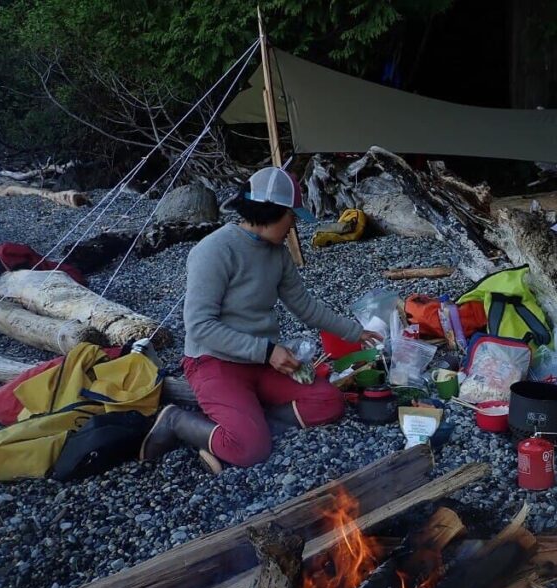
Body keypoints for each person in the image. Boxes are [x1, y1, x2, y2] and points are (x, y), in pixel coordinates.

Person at [140, 167, 381, 472]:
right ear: (269, 211)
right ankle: (177, 421)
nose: (293, 225)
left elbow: (304, 306)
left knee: (329, 402)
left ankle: (244, 425)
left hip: (261, 363)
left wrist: (356, 332)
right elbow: (200, 326)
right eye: (290, 216)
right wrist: (267, 351)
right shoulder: (214, 250)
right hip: (214, 361)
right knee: (251, 450)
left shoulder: (277, 254)